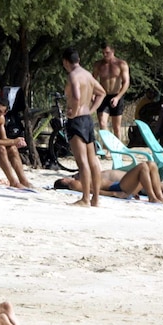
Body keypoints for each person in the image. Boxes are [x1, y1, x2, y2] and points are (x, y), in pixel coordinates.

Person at [63, 47, 106, 207]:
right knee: (93, 160)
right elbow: (102, 92)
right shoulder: (88, 75)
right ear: (78, 60)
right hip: (88, 118)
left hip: (77, 121)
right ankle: (95, 199)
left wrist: (73, 112)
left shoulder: (73, 76)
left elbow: (76, 96)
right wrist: (91, 109)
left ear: (65, 62)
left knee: (82, 162)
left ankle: (85, 198)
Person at [54, 162, 163, 204]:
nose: (69, 177)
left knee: (151, 165)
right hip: (118, 188)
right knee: (144, 166)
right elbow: (92, 191)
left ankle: (157, 196)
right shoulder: (74, 184)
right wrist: (113, 193)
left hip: (121, 187)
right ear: (64, 182)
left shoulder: (78, 180)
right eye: (65, 179)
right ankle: (153, 197)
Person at [92, 41, 130, 139]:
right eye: (103, 53)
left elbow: (126, 82)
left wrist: (118, 97)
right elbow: (93, 80)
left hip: (116, 95)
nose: (105, 55)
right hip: (103, 96)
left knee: (116, 127)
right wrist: (93, 92)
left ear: (113, 51)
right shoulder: (98, 65)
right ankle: (108, 148)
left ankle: (118, 150)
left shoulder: (121, 64)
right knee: (102, 123)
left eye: (107, 53)